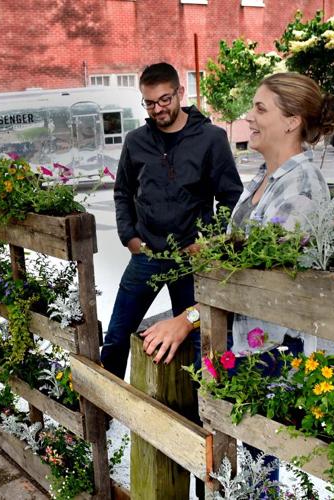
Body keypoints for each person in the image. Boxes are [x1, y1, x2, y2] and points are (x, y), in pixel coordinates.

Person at [140, 71, 334, 486]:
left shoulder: (301, 186)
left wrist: (187, 319)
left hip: (268, 352)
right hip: (239, 345)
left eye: (260, 108)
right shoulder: (267, 176)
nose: (248, 116)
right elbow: (247, 252)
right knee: (225, 462)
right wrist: (213, 249)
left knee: (252, 473)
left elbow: (258, 286)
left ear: (292, 121)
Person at [100, 62, 243, 381]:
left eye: (164, 99)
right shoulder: (136, 141)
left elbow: (232, 197)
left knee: (199, 339)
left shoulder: (211, 139)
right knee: (117, 334)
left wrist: (210, 241)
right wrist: (129, 237)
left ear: (180, 92)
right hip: (147, 256)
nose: (157, 109)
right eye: (149, 103)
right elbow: (122, 191)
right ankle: (102, 413)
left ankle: (200, 419)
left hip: (192, 260)